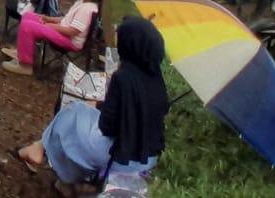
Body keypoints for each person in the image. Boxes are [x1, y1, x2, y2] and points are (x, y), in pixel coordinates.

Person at [17, 17, 169, 195]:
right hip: (147, 157)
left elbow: (107, 127)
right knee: (81, 116)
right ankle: (52, 162)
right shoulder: (156, 78)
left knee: (73, 115)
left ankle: (47, 156)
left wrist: (102, 100)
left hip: (119, 156)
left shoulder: (123, 77)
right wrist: (101, 105)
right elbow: (134, 112)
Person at [2, 0, 103, 77]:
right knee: (28, 16)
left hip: (69, 41)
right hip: (63, 32)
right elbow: (66, 19)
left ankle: (25, 65)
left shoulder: (86, 10)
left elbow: (72, 31)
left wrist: (50, 26)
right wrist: (48, 19)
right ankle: (22, 52)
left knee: (28, 26)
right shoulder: (82, 2)